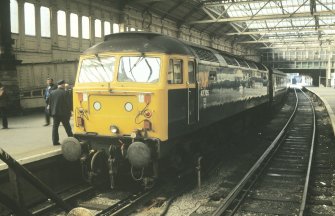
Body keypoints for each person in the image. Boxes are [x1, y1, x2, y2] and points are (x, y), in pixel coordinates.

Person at [48, 80, 73, 145]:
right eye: (64, 84)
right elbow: (69, 103)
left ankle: (55, 141)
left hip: (55, 113)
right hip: (64, 114)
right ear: (62, 85)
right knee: (67, 127)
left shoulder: (52, 93)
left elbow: (49, 103)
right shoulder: (65, 93)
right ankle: (72, 139)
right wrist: (71, 111)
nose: (65, 85)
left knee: (55, 128)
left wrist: (51, 112)